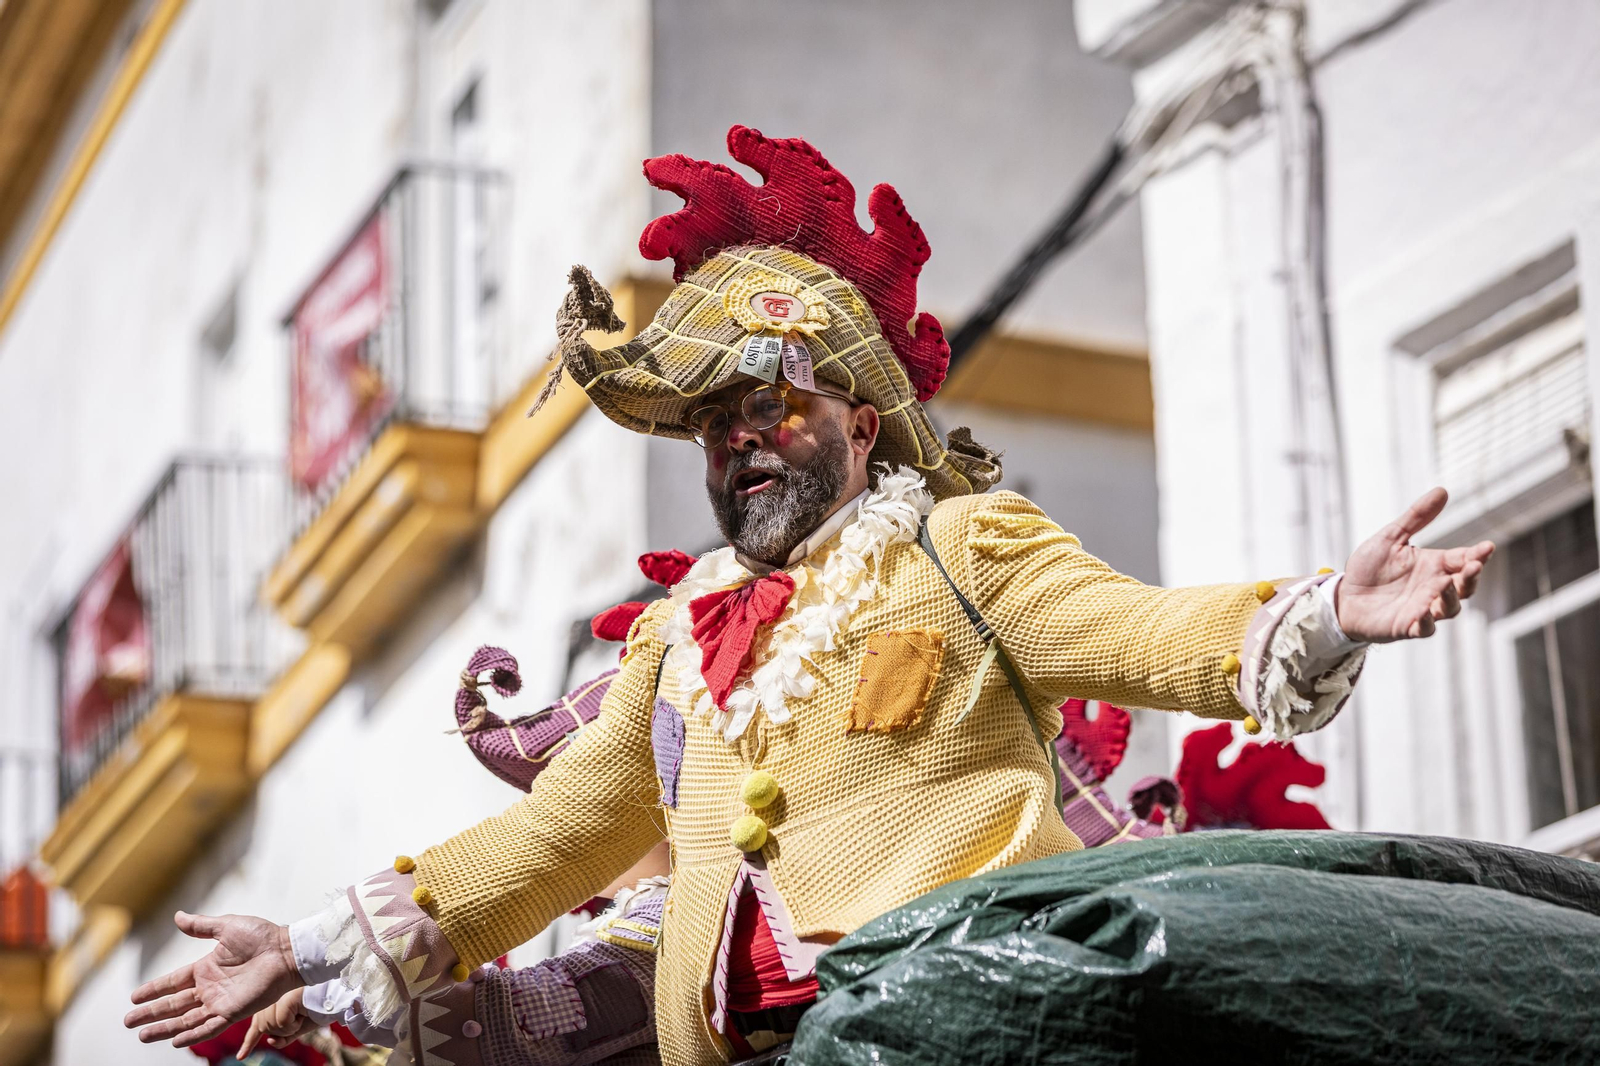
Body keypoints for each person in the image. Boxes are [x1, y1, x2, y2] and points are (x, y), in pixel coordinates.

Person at [125, 126, 1493, 1066]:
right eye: (713, 421)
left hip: (964, 1011)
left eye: (770, 403)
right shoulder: (676, 646)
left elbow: (1141, 632)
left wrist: (1318, 607)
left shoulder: (960, 547)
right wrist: (301, 948)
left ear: (856, 412)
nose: (742, 440)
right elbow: (546, 845)